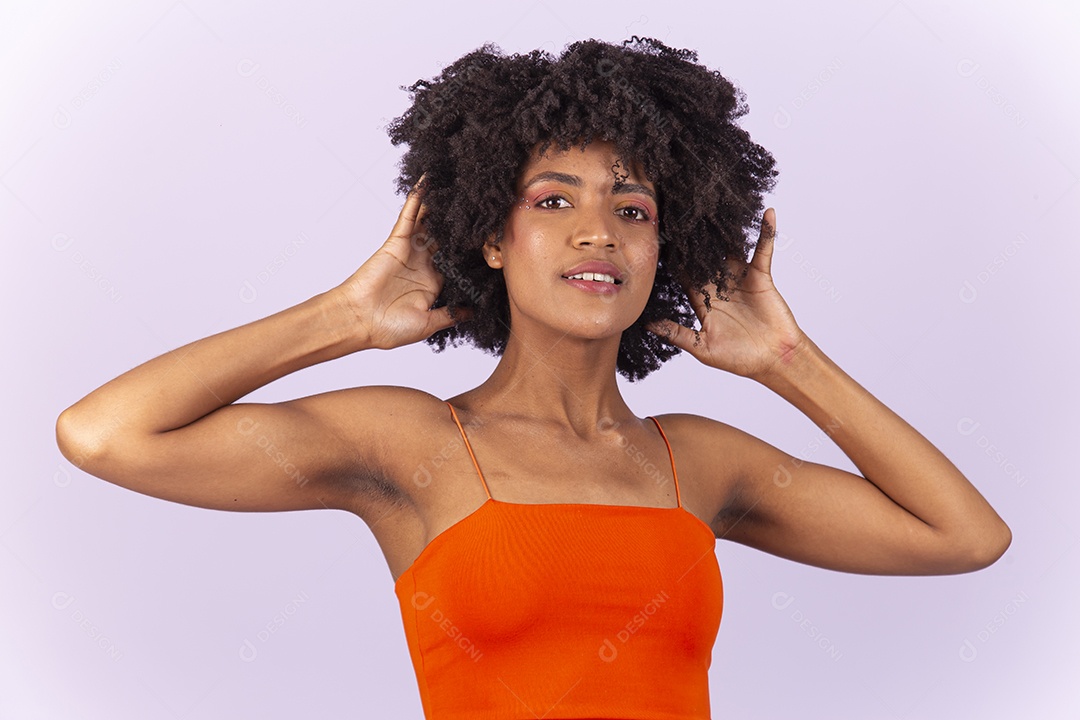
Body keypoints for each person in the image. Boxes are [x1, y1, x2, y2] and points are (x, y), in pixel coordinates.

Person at [56, 37, 1011, 719]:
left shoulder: (699, 461)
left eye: (632, 209)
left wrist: (788, 364)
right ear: (492, 238)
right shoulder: (415, 444)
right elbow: (104, 434)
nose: (599, 230)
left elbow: (965, 537)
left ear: (664, 249)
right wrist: (344, 318)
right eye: (554, 201)